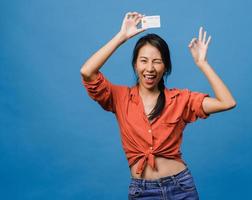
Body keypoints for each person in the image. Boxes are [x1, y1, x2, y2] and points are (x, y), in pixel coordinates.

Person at [80, 11, 236, 200]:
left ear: (166, 67)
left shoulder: (180, 99)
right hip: (142, 192)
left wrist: (202, 63)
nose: (150, 69)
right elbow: (87, 72)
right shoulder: (119, 97)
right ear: (135, 65)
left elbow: (227, 102)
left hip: (181, 187)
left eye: (157, 62)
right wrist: (121, 37)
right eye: (143, 61)